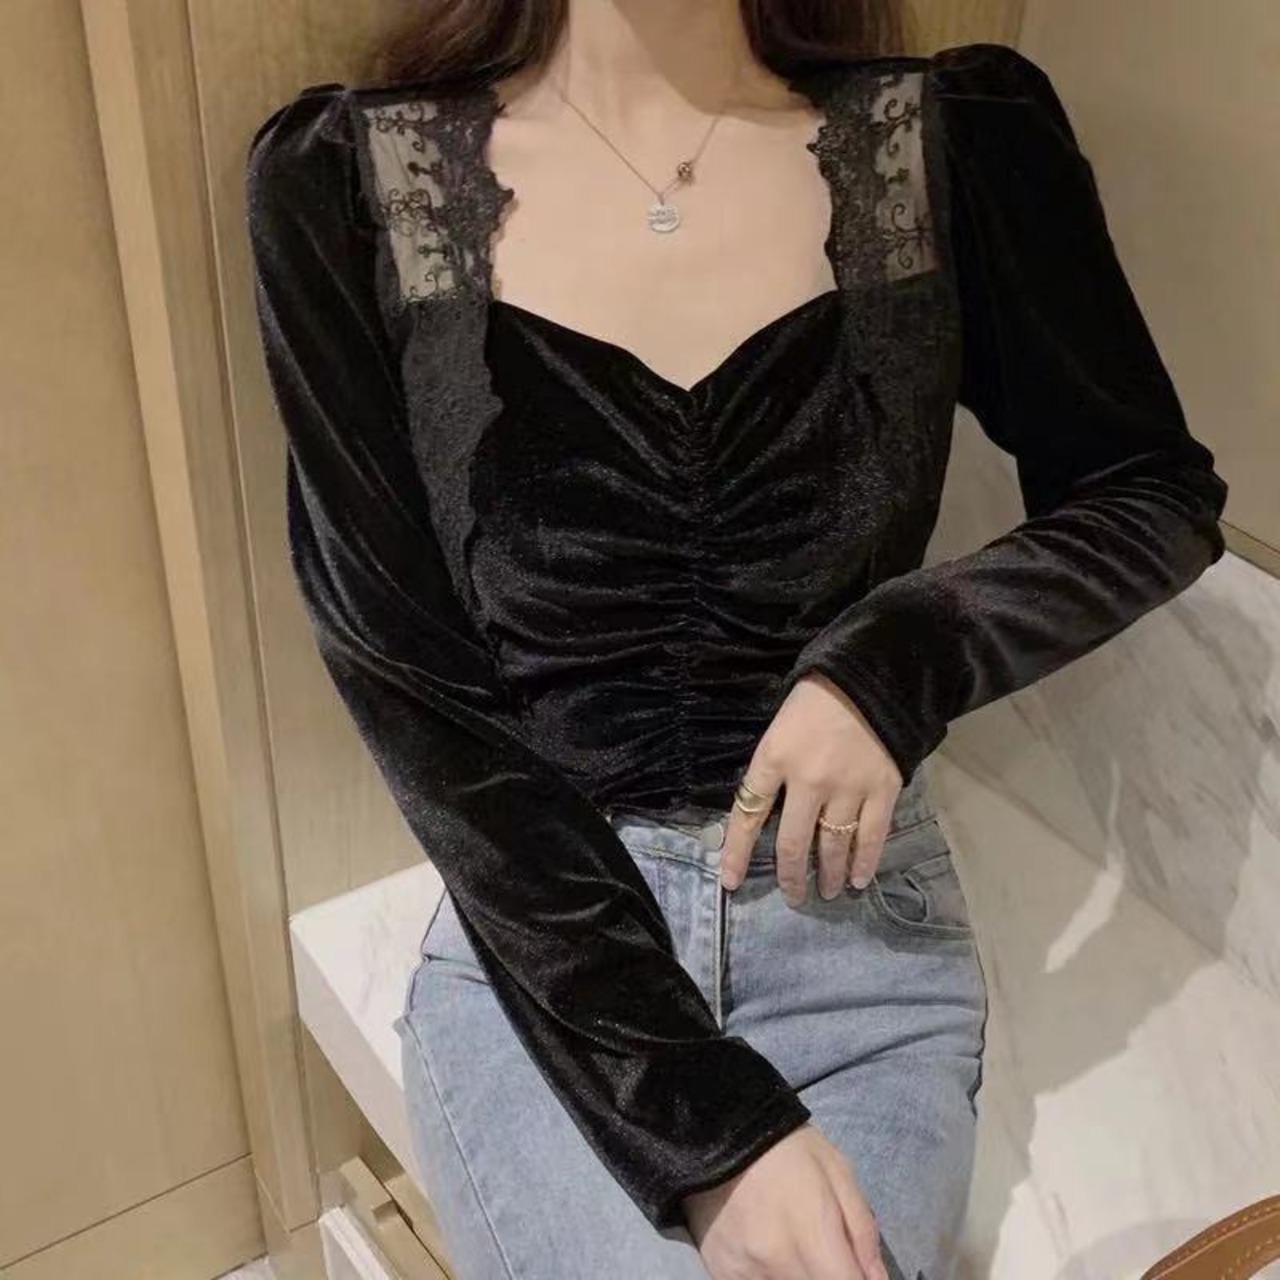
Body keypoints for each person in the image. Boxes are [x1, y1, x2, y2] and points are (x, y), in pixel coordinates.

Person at [243, 2, 1228, 1277]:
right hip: (553, 952)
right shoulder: (352, 186)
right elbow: (407, 677)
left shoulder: (948, 145)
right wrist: (706, 1123)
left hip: (855, 929)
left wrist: (897, 659)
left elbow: (1147, 491)